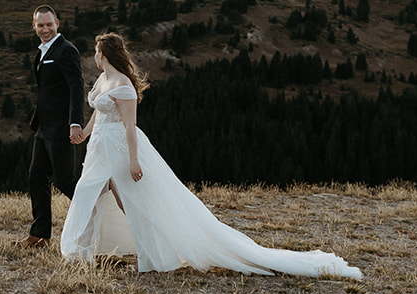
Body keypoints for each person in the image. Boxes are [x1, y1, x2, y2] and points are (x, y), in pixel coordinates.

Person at [60, 32, 363, 279]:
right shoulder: (102, 81)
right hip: (98, 148)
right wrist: (84, 134)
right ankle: (80, 250)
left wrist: (134, 160)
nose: (95, 57)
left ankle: (151, 255)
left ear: (105, 54)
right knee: (91, 192)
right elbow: (98, 114)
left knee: (133, 203)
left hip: (120, 148)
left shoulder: (123, 85)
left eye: (97, 52)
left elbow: (130, 126)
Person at [21, 5, 86, 247]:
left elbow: (76, 88)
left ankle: (102, 215)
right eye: (41, 25)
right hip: (43, 128)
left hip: (61, 128)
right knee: (36, 177)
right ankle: (39, 236)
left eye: (49, 24)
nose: (45, 29)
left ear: (57, 23)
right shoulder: (41, 52)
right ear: (34, 26)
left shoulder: (66, 50)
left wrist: (75, 123)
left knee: (65, 181)